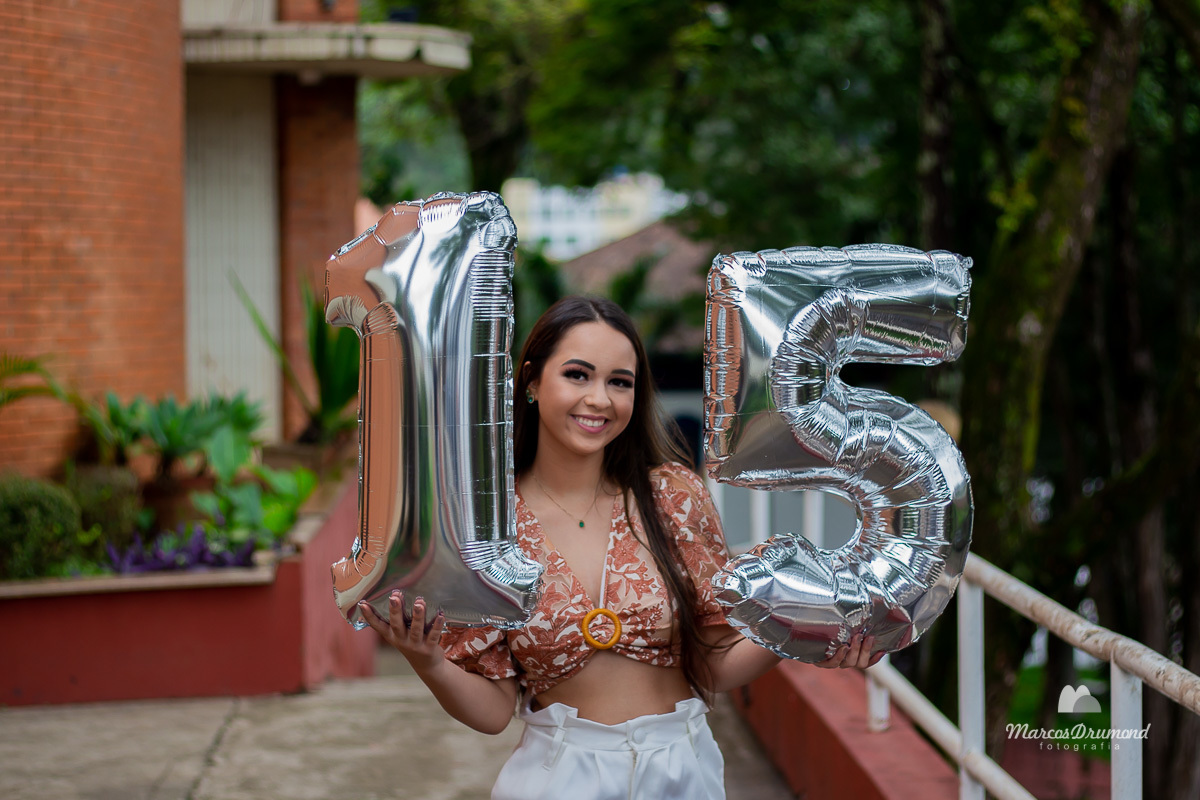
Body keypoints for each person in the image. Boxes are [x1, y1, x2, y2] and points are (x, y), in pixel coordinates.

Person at [359, 296, 880, 799]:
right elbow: (495, 711)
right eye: (577, 374)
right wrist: (429, 663)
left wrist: (808, 632)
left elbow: (715, 664)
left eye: (620, 382)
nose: (600, 399)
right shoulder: (490, 529)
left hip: (683, 769)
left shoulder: (673, 497)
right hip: (559, 774)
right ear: (533, 381)